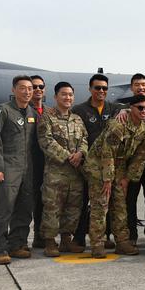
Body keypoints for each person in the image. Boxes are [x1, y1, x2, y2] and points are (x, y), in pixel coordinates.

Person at [84, 95, 145, 258]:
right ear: (131, 108)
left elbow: (140, 157)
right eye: (140, 108)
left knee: (120, 205)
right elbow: (107, 152)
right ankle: (97, 244)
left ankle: (122, 242)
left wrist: (127, 179)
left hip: (119, 165)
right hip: (99, 165)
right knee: (101, 205)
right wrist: (107, 180)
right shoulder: (118, 125)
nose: (144, 111)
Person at [0, 75, 37, 265]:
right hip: (8, 168)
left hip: (27, 169)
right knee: (4, 209)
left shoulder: (31, 112)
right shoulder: (3, 111)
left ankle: (17, 244)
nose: (27, 92)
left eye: (30, 89)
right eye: (23, 88)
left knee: (24, 209)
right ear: (14, 90)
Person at [71, 73, 124, 249]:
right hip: (87, 165)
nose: (101, 91)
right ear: (90, 89)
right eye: (97, 88)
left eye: (104, 88)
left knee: (105, 201)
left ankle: (105, 236)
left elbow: (135, 110)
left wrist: (126, 109)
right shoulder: (79, 110)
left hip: (109, 164)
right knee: (82, 200)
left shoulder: (114, 108)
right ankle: (78, 238)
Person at [37, 82, 88, 257]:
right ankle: (50, 242)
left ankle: (66, 239)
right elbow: (46, 141)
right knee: (52, 207)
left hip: (75, 173)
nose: (67, 98)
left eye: (70, 95)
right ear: (55, 97)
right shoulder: (47, 118)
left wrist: (81, 153)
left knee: (73, 207)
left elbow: (85, 140)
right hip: (55, 173)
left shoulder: (77, 119)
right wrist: (69, 156)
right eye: (64, 94)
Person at [124, 74, 145, 245]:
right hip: (130, 166)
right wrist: (124, 110)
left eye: (143, 84)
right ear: (131, 87)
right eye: (137, 85)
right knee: (130, 201)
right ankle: (131, 236)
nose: (141, 87)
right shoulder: (123, 109)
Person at [29, 75, 47, 249]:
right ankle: (22, 238)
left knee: (45, 200)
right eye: (34, 86)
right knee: (30, 201)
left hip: (48, 164)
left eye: (41, 86)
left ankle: (41, 236)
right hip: (29, 164)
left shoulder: (49, 112)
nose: (38, 90)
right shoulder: (23, 111)